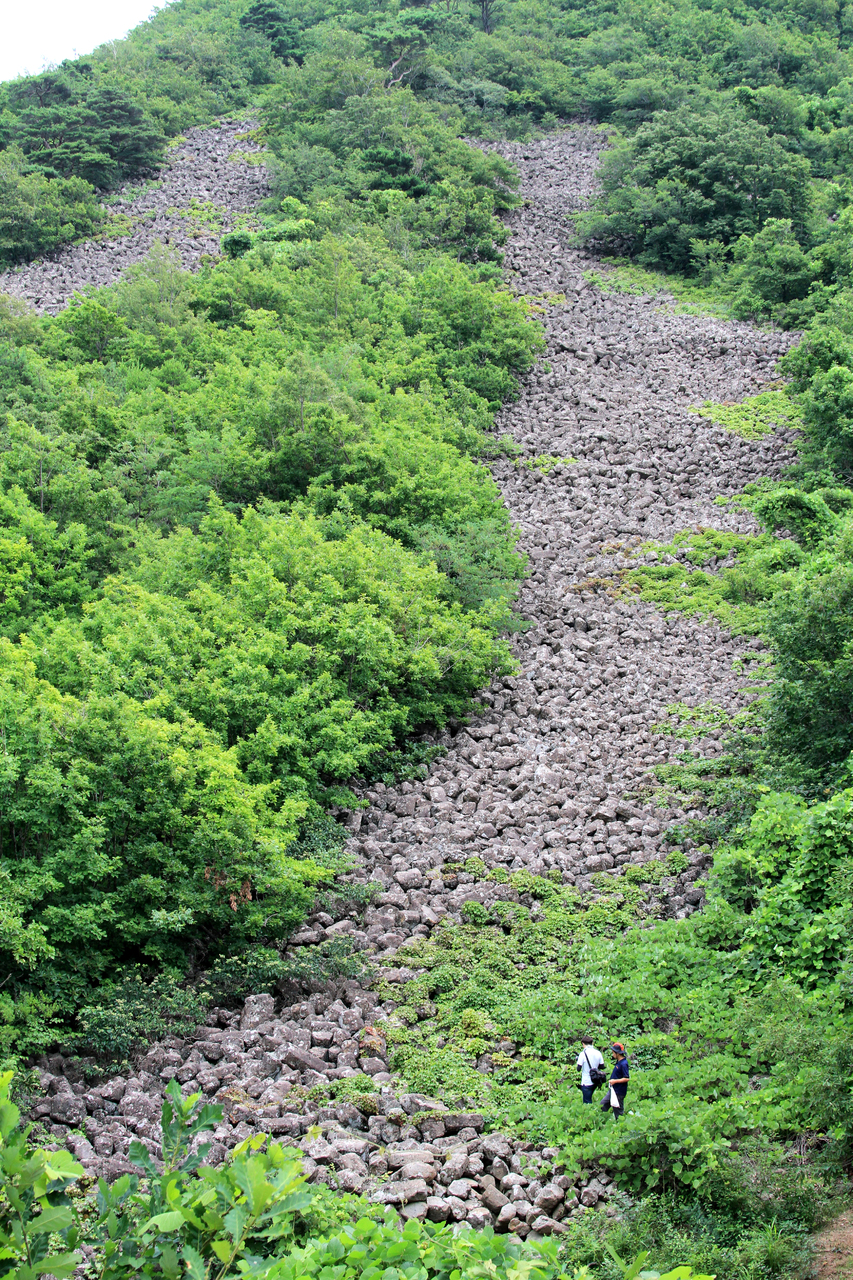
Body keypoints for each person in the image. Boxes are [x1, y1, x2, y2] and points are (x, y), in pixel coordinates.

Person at [576, 1036, 605, 1104]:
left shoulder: (582, 1054)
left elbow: (578, 1069)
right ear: (592, 1043)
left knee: (587, 1102)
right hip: (595, 1080)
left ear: (583, 1044)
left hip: (586, 1082)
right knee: (590, 1098)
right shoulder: (598, 1053)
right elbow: (602, 1066)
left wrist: (578, 1060)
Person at [606, 1042, 630, 1119]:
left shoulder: (623, 1064)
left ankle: (620, 1125)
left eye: (613, 1053)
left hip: (619, 1091)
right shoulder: (619, 1062)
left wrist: (615, 1081)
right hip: (614, 1090)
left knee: (618, 1111)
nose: (612, 1054)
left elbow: (626, 1078)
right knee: (604, 1105)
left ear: (618, 1053)